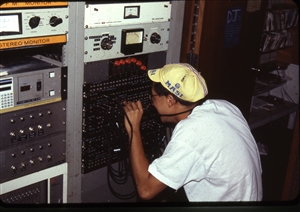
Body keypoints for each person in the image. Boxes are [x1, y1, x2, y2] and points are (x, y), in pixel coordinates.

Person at [122, 63, 263, 202]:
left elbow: (146, 190)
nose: (151, 103)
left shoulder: (190, 133)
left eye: (152, 97)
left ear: (170, 100)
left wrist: (133, 128)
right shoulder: (224, 106)